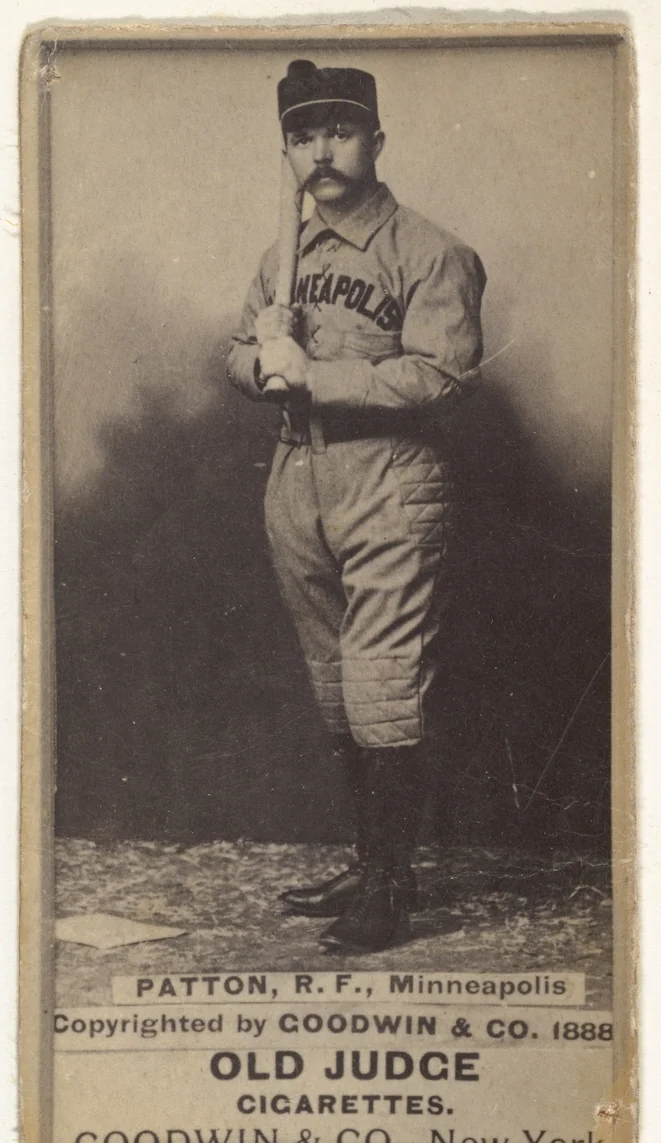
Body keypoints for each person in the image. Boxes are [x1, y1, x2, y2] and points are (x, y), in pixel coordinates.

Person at [227, 59, 486, 953]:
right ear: (287, 149)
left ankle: (390, 887)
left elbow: (444, 375)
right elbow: (237, 350)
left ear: (374, 140)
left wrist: (315, 372)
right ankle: (369, 859)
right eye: (302, 136)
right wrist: (260, 359)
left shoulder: (430, 251)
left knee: (381, 682)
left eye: (339, 131)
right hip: (297, 475)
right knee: (335, 683)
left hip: (389, 479)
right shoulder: (282, 255)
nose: (320, 151)